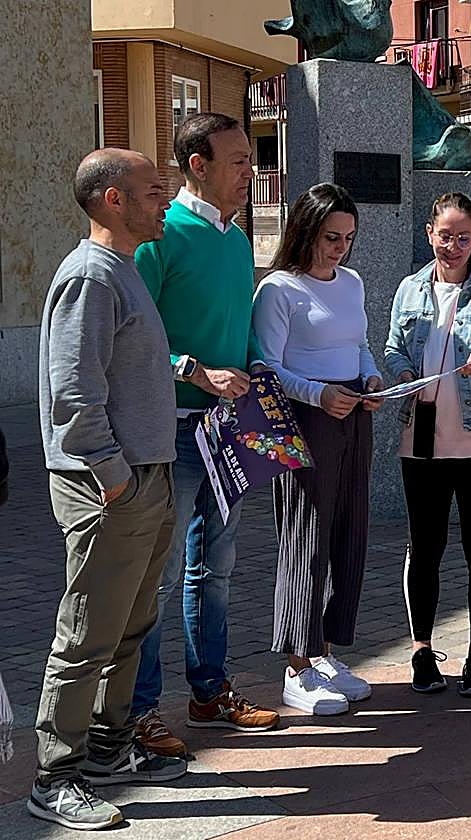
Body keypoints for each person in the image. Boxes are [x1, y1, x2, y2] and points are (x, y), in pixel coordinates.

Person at [29, 149, 186, 830]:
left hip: (142, 478)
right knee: (88, 634)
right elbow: (74, 392)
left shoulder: (122, 271)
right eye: (155, 190)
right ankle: (55, 776)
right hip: (110, 486)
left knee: (129, 628)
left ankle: (107, 749)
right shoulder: (91, 276)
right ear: (113, 200)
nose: (167, 201)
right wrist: (114, 477)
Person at [131, 112, 279, 757]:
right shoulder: (158, 236)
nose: (251, 170)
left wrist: (257, 370)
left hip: (228, 429)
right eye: (239, 159)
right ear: (198, 164)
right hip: (171, 431)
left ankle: (209, 690)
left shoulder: (236, 238)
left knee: (215, 569)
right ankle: (139, 711)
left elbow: (236, 327)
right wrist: (189, 370)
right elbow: (128, 337)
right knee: (157, 578)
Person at [252, 183, 384, 715]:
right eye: (331, 237)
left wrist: (372, 380)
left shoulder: (350, 283)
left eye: (349, 238)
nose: (340, 248)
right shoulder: (279, 290)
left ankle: (325, 651)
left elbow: (360, 345)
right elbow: (266, 366)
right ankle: (296, 667)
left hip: (352, 414)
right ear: (305, 230)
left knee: (348, 531)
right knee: (306, 535)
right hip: (306, 420)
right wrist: (318, 394)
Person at [385, 193, 471, 696]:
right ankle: (422, 651)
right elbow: (395, 346)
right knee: (425, 547)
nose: (454, 246)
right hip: (420, 439)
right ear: (429, 233)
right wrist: (400, 372)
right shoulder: (410, 288)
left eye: (464, 237)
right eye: (446, 235)